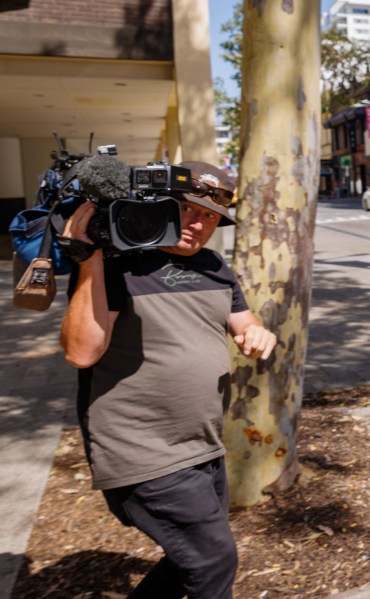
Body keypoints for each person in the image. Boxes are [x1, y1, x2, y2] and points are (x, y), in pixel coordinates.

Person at [59, 161, 277, 599]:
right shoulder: (119, 263)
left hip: (203, 444)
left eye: (212, 217)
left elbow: (244, 325)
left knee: (189, 562)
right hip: (143, 452)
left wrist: (258, 334)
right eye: (189, 210)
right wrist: (90, 263)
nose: (199, 224)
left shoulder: (215, 265)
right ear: (162, 205)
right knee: (214, 561)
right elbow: (82, 352)